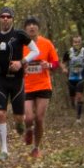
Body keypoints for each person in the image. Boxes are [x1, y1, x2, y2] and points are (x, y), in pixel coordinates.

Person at [0, 7, 40, 161]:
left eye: (8, 17)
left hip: (17, 80)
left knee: (19, 117)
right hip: (1, 79)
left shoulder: (20, 35)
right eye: (2, 16)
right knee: (1, 113)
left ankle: (20, 124)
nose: (5, 19)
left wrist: (21, 62)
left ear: (12, 19)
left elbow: (36, 51)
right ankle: (3, 150)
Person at [21, 17, 59, 159]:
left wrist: (48, 65)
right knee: (29, 118)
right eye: (29, 25)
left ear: (38, 28)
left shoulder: (46, 43)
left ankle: (36, 148)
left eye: (34, 25)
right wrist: (21, 67)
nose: (32, 27)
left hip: (43, 85)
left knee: (39, 118)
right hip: (27, 86)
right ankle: (28, 130)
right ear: (25, 29)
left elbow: (56, 63)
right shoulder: (21, 45)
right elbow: (14, 63)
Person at [61, 34, 84, 123]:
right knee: (72, 97)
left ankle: (78, 118)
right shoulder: (69, 52)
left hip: (81, 78)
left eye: (79, 42)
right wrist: (64, 68)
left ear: (81, 42)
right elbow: (63, 62)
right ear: (72, 43)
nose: (77, 44)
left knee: (79, 96)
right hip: (71, 78)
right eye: (75, 42)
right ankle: (73, 105)